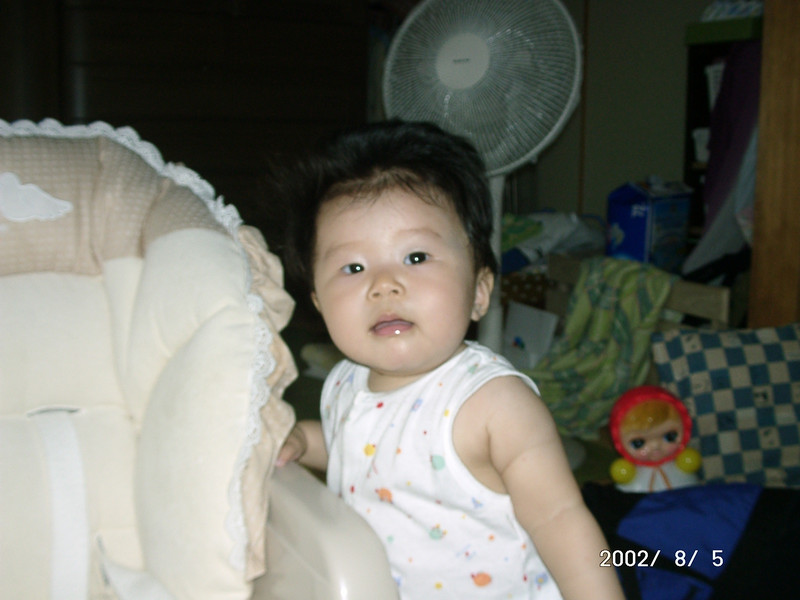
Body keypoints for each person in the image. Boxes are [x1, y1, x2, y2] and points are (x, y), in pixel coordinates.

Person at [273, 120, 624, 599]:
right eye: (353, 267)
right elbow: (358, 455)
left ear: (479, 291)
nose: (384, 285)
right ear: (318, 302)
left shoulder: (494, 404)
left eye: (416, 257)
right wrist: (302, 439)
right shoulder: (343, 382)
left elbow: (560, 521)